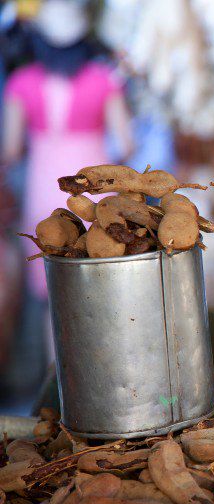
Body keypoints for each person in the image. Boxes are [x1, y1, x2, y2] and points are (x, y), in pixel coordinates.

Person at [2, 0, 133, 299]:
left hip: (43, 191)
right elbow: (126, 144)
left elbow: (10, 150)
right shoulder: (104, 80)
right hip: (97, 192)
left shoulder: (20, 84)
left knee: (54, 294)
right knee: (104, 286)